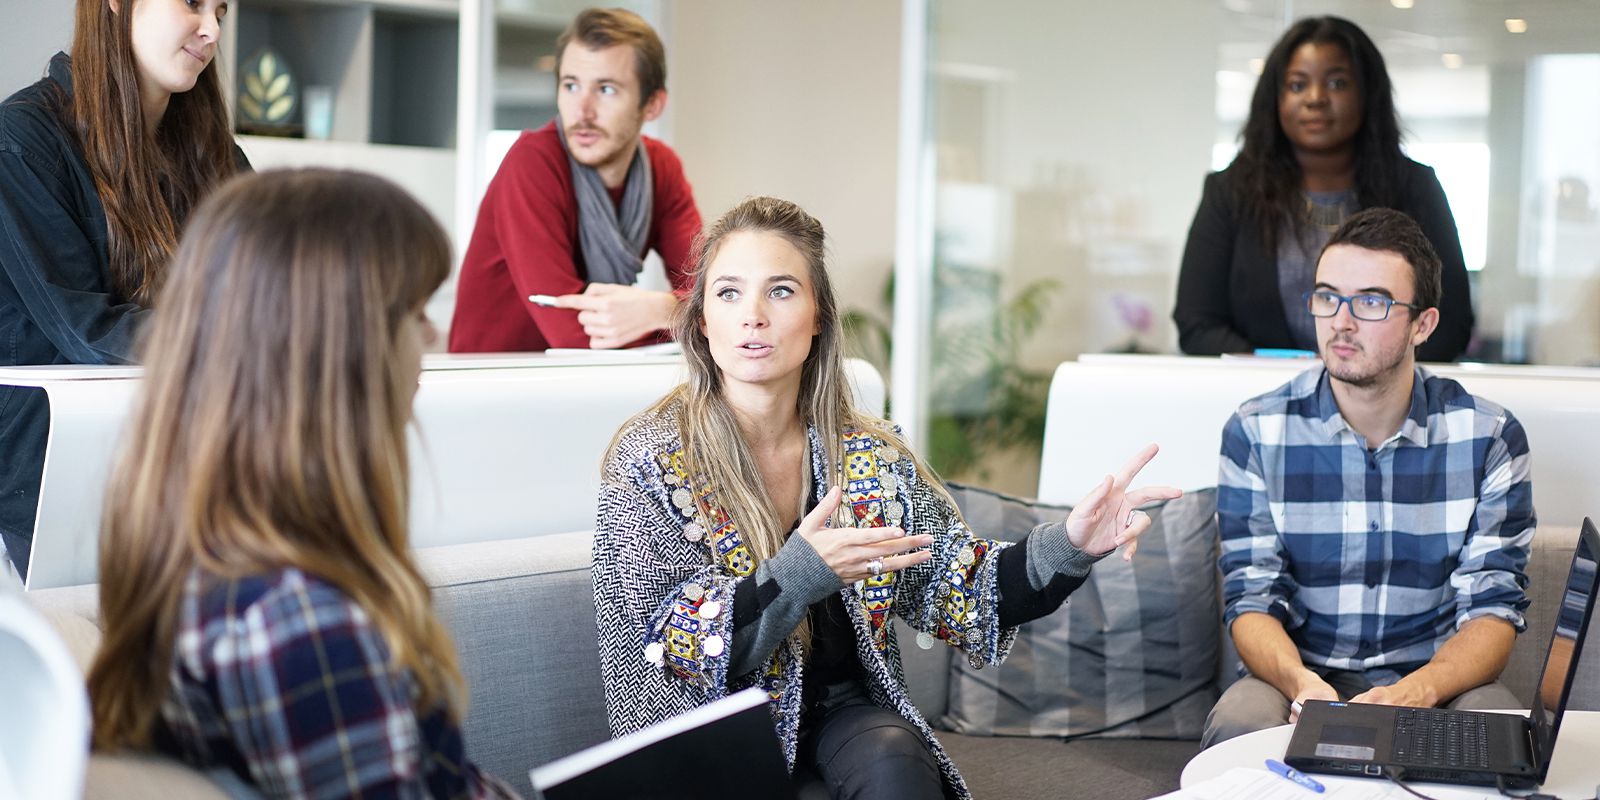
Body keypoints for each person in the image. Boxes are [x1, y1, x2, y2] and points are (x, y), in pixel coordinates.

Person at [592, 196, 1181, 799]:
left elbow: (960, 585)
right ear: (701, 321)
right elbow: (657, 656)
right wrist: (798, 575)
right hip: (716, 733)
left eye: (782, 291)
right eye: (729, 293)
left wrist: (1073, 544)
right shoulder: (650, 460)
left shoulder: (868, 454)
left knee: (895, 760)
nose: (753, 316)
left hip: (843, 717)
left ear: (819, 316)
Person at [85, 169, 516, 798]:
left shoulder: (209, 555)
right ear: (342, 347)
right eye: (414, 312)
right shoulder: (299, 621)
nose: (431, 338)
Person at [1205, 208, 1534, 748]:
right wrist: (1303, 685)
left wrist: (1418, 690)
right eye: (1327, 296)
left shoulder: (1489, 436)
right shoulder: (1256, 431)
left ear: (1422, 324)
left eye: (1372, 302)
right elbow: (1251, 598)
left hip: (1435, 678)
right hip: (1299, 674)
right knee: (1240, 722)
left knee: (1502, 729)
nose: (1341, 321)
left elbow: (1493, 610)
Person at [0, 0, 246, 579]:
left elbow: (271, 295)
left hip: (183, 469)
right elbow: (88, 330)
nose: (210, 30)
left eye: (222, 10)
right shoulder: (23, 141)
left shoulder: (217, 157)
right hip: (55, 481)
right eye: (191, 3)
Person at [1173, 15, 1473, 362]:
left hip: (1383, 406)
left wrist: (1359, 372)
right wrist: (1289, 376)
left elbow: (1451, 326)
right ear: (1275, 99)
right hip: (1260, 400)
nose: (1315, 99)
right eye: (1297, 85)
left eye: (1337, 83)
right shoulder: (1229, 192)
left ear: (1367, 93)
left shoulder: (1415, 188)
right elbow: (1197, 324)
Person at [449, 7, 700, 353]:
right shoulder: (532, 162)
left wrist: (663, 309)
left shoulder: (662, 168)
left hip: (587, 380)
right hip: (494, 384)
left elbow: (714, 293)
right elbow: (571, 332)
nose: (582, 111)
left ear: (652, 105)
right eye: (571, 85)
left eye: (606, 89)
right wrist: (686, 317)